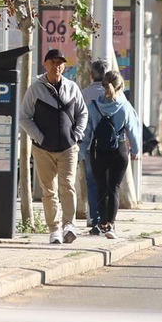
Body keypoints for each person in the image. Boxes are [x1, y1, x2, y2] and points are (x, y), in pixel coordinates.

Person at [19, 48, 89, 244]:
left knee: (67, 186)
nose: (57, 66)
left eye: (60, 63)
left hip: (68, 148)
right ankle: (54, 229)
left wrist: (76, 135)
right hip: (43, 150)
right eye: (53, 62)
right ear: (45, 64)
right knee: (48, 190)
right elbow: (24, 117)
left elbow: (83, 113)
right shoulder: (35, 89)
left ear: (64, 66)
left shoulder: (72, 88)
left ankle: (69, 225)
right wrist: (39, 137)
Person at [83, 71, 142, 239]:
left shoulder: (93, 106)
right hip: (119, 151)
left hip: (97, 152)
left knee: (101, 187)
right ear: (120, 86)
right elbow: (132, 131)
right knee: (113, 188)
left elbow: (87, 132)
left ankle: (101, 223)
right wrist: (136, 151)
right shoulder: (125, 107)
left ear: (103, 85)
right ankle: (110, 225)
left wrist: (82, 151)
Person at [80, 60, 109, 233]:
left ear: (91, 74)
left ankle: (93, 218)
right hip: (109, 147)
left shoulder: (83, 94)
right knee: (107, 183)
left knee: (92, 183)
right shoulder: (113, 94)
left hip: (88, 145)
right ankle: (107, 219)